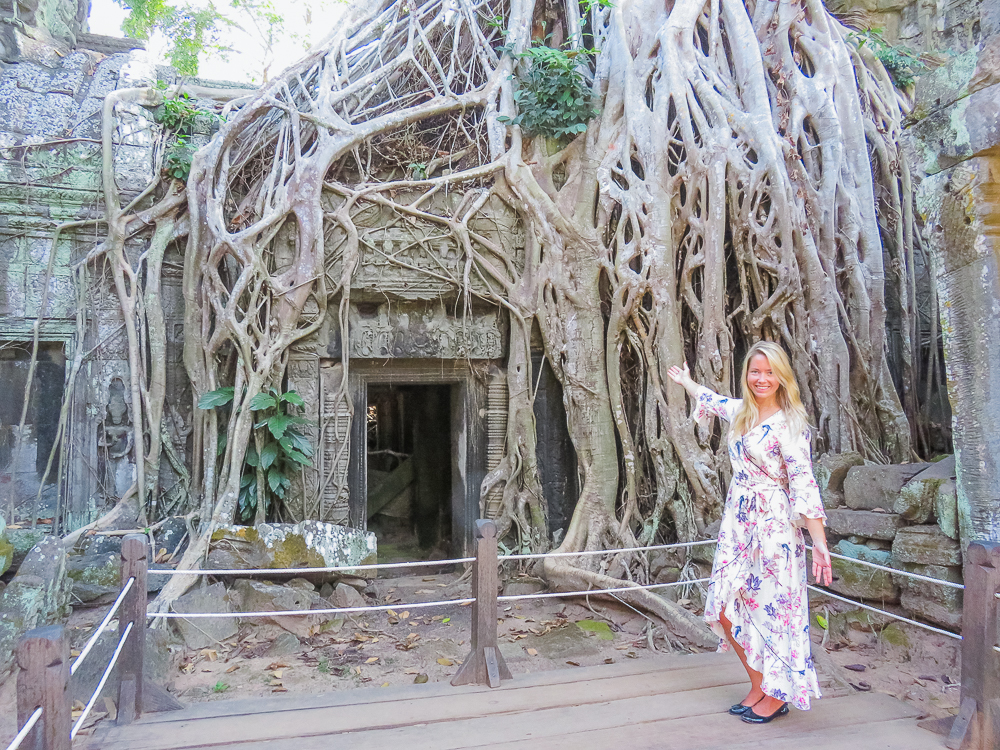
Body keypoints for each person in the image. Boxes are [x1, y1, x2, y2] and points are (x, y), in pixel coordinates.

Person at [667, 341, 832, 724]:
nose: (762, 379)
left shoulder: (791, 425)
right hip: (737, 524)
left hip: (773, 526)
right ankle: (760, 684)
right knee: (726, 605)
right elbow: (713, 399)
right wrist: (688, 384)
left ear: (782, 377)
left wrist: (819, 543)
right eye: (755, 371)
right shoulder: (743, 412)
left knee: (773, 608)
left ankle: (777, 693)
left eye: (769, 372)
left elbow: (805, 486)